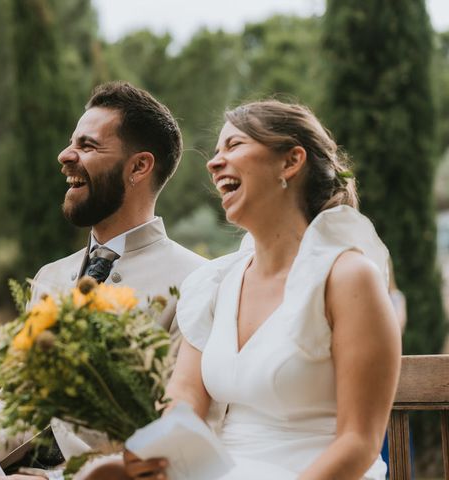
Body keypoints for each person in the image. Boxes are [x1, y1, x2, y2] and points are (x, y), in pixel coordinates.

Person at [95, 99, 402, 480]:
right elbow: (186, 397)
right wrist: (156, 454)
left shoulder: (348, 277)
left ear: (291, 162)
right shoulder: (212, 283)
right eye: (216, 150)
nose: (213, 162)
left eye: (234, 145)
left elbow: (359, 442)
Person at [0, 81, 206, 480]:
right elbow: (21, 399)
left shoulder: (197, 281)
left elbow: (178, 425)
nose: (65, 155)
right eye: (72, 143)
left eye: (87, 145)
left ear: (139, 167)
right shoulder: (49, 277)